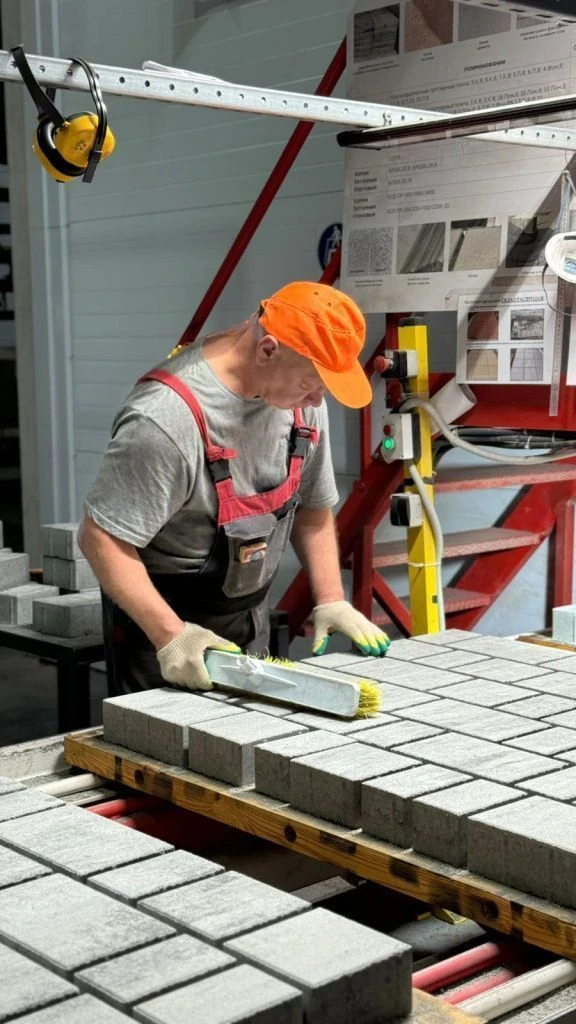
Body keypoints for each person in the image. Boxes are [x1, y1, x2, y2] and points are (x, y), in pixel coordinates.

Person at [78, 281, 390, 695]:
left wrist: (331, 597)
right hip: (162, 637)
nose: (318, 401)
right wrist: (171, 636)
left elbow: (313, 509)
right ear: (267, 350)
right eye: (310, 384)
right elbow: (100, 539)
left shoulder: (302, 407)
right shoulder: (167, 419)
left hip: (247, 621)